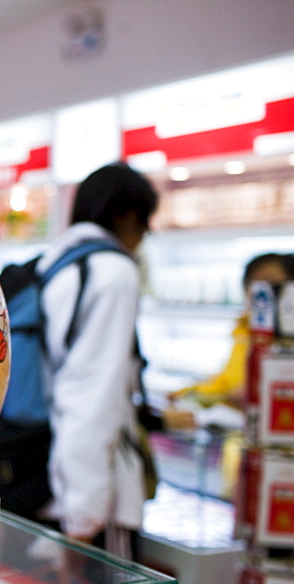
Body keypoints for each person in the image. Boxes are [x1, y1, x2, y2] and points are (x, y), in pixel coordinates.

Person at [36, 162, 159, 560]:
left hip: (37, 474)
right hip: (86, 500)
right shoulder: (114, 273)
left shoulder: (54, 263)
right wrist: (84, 519)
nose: (143, 238)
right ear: (127, 217)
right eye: (144, 225)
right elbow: (93, 397)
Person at [168, 253, 294, 413]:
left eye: (268, 282)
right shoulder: (246, 329)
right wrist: (187, 393)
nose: (258, 292)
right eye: (251, 284)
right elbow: (227, 381)